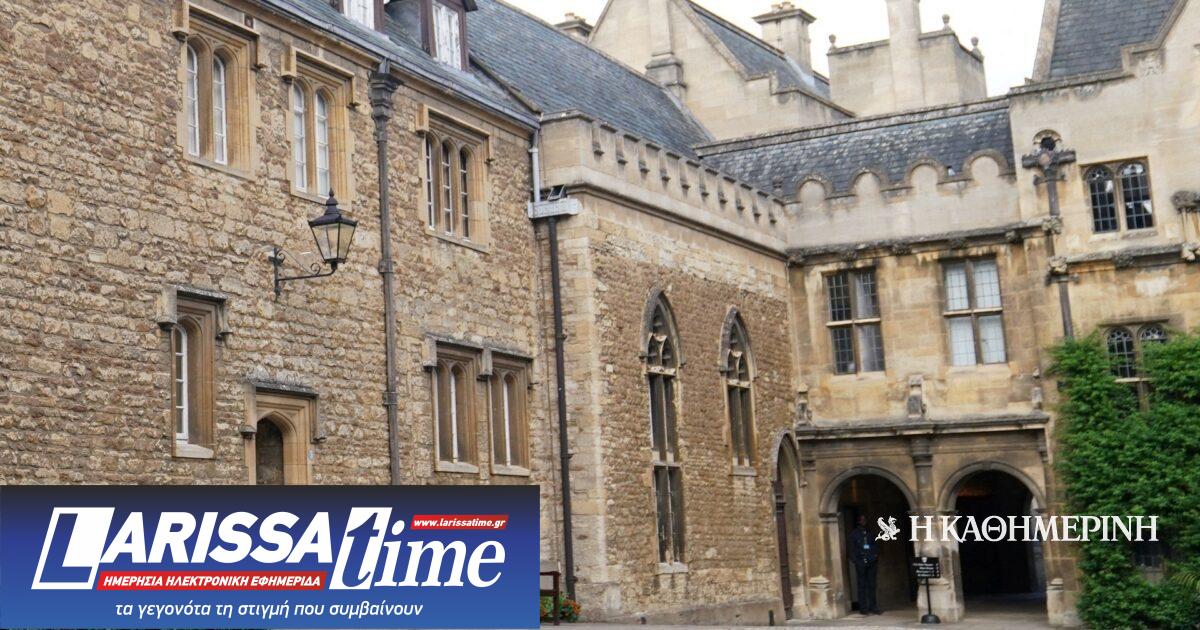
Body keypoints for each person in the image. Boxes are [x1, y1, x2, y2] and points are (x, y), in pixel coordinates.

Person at [849, 515, 883, 615]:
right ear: (858, 521)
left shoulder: (870, 533)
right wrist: (856, 561)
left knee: (872, 585)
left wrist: (875, 557)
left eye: (865, 520)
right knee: (862, 585)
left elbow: (875, 545)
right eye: (862, 520)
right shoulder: (854, 534)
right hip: (860, 562)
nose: (864, 521)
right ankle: (863, 608)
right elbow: (851, 549)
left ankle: (873, 606)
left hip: (871, 561)